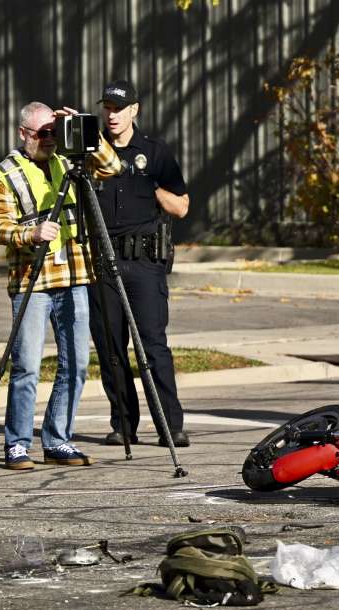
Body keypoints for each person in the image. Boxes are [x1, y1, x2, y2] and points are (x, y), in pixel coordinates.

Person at [0, 101, 123, 469]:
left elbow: (112, 167)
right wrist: (30, 233)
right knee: (27, 367)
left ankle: (58, 440)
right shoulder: (4, 173)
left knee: (76, 364)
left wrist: (85, 129)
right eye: (42, 133)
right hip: (31, 280)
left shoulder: (69, 162)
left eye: (54, 132)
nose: (49, 139)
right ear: (23, 134)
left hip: (74, 276)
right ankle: (17, 444)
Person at [88, 79, 191, 448]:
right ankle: (123, 425)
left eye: (119, 108)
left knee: (152, 346)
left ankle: (170, 426)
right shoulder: (91, 151)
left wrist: (150, 187)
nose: (112, 115)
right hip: (103, 261)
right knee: (111, 348)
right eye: (108, 108)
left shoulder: (155, 152)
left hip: (144, 262)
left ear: (134, 110)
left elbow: (181, 206)